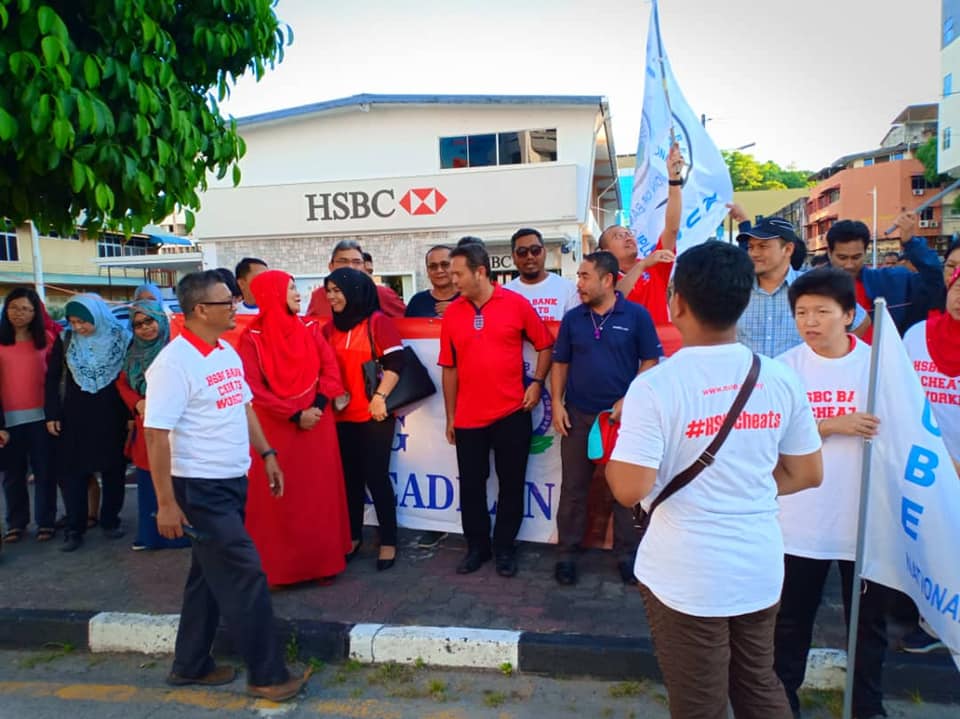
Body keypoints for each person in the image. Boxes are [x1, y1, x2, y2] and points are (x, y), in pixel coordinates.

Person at [607, 241, 823, 719]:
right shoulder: (779, 377)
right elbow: (807, 472)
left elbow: (628, 489)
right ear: (743, 300)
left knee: (700, 703)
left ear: (677, 302)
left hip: (686, 574)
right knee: (758, 684)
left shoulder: (655, 386)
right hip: (759, 565)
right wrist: (743, 485)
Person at [144, 270, 309, 702]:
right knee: (245, 575)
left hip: (232, 480)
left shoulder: (225, 352)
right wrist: (166, 504)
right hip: (200, 489)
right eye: (227, 302)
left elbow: (244, 407)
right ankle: (268, 675)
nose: (236, 306)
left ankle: (190, 663)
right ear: (201, 310)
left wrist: (267, 453)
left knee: (207, 576)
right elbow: (155, 435)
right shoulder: (173, 364)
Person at [773, 267, 888, 719]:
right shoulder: (784, 369)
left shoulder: (878, 367)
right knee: (789, 624)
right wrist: (830, 425)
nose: (810, 322)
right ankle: (782, 706)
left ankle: (866, 708)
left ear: (849, 314)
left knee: (867, 627)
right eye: (801, 312)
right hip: (799, 522)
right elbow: (771, 437)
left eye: (822, 311)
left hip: (862, 521)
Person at [440, 240, 554, 577]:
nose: (452, 279)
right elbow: (449, 368)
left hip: (511, 415)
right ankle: (477, 548)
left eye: (458, 273)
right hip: (468, 419)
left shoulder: (516, 304)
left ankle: (505, 547)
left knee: (511, 484)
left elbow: (545, 344)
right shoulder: (453, 313)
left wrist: (537, 382)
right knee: (471, 486)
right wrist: (450, 416)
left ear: (480, 272)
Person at [551, 251, 662, 586]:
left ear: (608, 279)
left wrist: (629, 399)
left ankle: (627, 556)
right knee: (573, 489)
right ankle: (567, 555)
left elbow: (650, 361)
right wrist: (556, 403)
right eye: (578, 276)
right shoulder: (573, 319)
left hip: (621, 421)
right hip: (577, 416)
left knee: (622, 491)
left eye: (585, 276)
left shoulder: (637, 315)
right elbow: (560, 363)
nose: (579, 284)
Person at [239, 270, 352, 586]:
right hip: (276, 429)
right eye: (290, 288)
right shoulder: (252, 338)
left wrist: (315, 407)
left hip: (317, 425)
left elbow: (330, 371)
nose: (298, 294)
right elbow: (252, 388)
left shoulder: (311, 329)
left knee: (319, 496)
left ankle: (323, 564)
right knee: (279, 499)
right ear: (273, 294)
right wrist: (293, 415)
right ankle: (281, 569)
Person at [322, 267, 405, 572]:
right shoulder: (328, 329)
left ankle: (389, 541)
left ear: (354, 291)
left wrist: (380, 397)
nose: (331, 297)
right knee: (349, 479)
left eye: (337, 291)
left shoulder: (377, 322)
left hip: (374, 414)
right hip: (341, 416)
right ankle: (353, 536)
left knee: (376, 477)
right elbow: (323, 368)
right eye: (328, 291)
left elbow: (396, 363)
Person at [898, 259, 960, 654]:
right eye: (958, 287)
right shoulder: (917, 335)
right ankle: (931, 622)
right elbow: (901, 393)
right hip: (925, 465)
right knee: (929, 544)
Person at [46, 293, 132, 552]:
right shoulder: (66, 339)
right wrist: (52, 414)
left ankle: (110, 521)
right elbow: (52, 379)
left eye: (83, 321)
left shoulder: (122, 339)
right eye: (73, 321)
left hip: (112, 416)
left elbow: (130, 378)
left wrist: (131, 416)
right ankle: (75, 528)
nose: (78, 327)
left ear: (98, 316)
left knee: (113, 471)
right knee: (74, 473)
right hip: (74, 417)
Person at [116, 299, 191, 552]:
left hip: (177, 424)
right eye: (138, 325)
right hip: (146, 422)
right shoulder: (133, 352)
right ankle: (152, 536)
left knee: (178, 477)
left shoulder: (177, 347)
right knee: (150, 479)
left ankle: (183, 534)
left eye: (149, 321)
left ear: (160, 319)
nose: (145, 328)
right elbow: (122, 383)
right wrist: (137, 402)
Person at [0, 289, 61, 543]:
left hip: (42, 419)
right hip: (8, 421)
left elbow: (55, 380)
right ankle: (16, 523)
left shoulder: (48, 339)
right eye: (14, 308)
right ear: (6, 310)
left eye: (26, 309)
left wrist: (54, 414)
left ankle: (46, 522)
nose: (19, 313)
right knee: (13, 475)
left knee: (45, 473)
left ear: (35, 313)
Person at [826, 213, 944, 337]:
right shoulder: (815, 287)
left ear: (865, 252)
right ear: (829, 253)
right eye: (842, 258)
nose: (849, 265)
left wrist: (910, 242)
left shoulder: (892, 281)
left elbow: (934, 278)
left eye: (856, 257)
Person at [611, 142, 684, 325]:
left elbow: (672, 229)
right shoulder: (604, 278)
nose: (628, 237)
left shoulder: (654, 266)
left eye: (629, 233)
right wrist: (642, 265)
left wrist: (674, 180)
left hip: (660, 342)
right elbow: (615, 300)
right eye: (619, 236)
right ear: (605, 251)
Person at [307, 241, 406, 318]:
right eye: (343, 261)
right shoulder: (319, 295)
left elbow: (407, 326)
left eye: (356, 262)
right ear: (331, 266)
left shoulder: (380, 293)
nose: (350, 267)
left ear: (363, 267)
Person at [504, 228, 579, 321]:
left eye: (535, 250)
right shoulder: (504, 294)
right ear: (513, 257)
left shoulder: (568, 289)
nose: (530, 256)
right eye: (522, 252)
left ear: (544, 252)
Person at [405, 245, 460, 319]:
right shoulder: (417, 302)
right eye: (433, 266)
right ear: (427, 271)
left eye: (445, 264)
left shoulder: (470, 299)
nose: (439, 270)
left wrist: (459, 312)